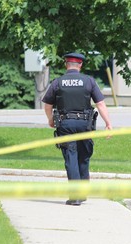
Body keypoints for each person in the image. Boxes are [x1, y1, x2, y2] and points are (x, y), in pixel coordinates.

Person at [42, 52, 112, 206]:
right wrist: (108, 123)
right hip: (85, 125)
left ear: (66, 64)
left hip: (66, 125)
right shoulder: (89, 81)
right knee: (84, 157)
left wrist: (50, 119)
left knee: (71, 158)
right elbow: (100, 104)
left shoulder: (58, 82)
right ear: (80, 65)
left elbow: (47, 105)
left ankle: (75, 197)